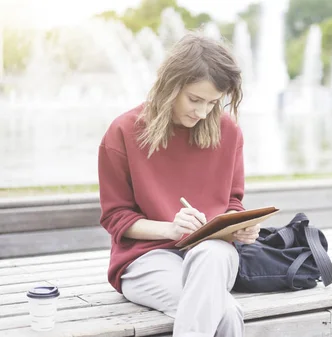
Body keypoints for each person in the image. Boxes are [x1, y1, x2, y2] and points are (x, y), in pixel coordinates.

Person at [97, 31, 258, 337]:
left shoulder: (229, 132)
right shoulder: (123, 132)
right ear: (170, 85)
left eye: (213, 103)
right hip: (145, 259)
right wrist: (171, 229)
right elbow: (116, 217)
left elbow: (232, 202)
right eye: (195, 99)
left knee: (213, 253)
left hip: (214, 254)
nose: (202, 112)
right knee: (225, 312)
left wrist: (240, 225)